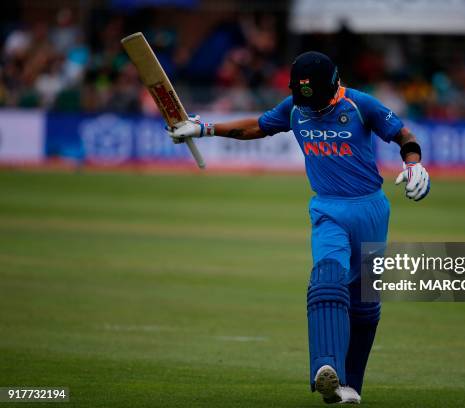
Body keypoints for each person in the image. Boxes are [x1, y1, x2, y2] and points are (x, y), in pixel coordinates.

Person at [167, 51, 430, 404]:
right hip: (327, 209)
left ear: (334, 86)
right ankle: (326, 370)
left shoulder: (359, 104)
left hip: (371, 210)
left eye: (317, 100)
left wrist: (414, 166)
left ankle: (351, 386)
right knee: (326, 279)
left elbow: (404, 135)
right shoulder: (296, 106)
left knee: (364, 305)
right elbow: (256, 127)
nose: (310, 108)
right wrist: (204, 128)